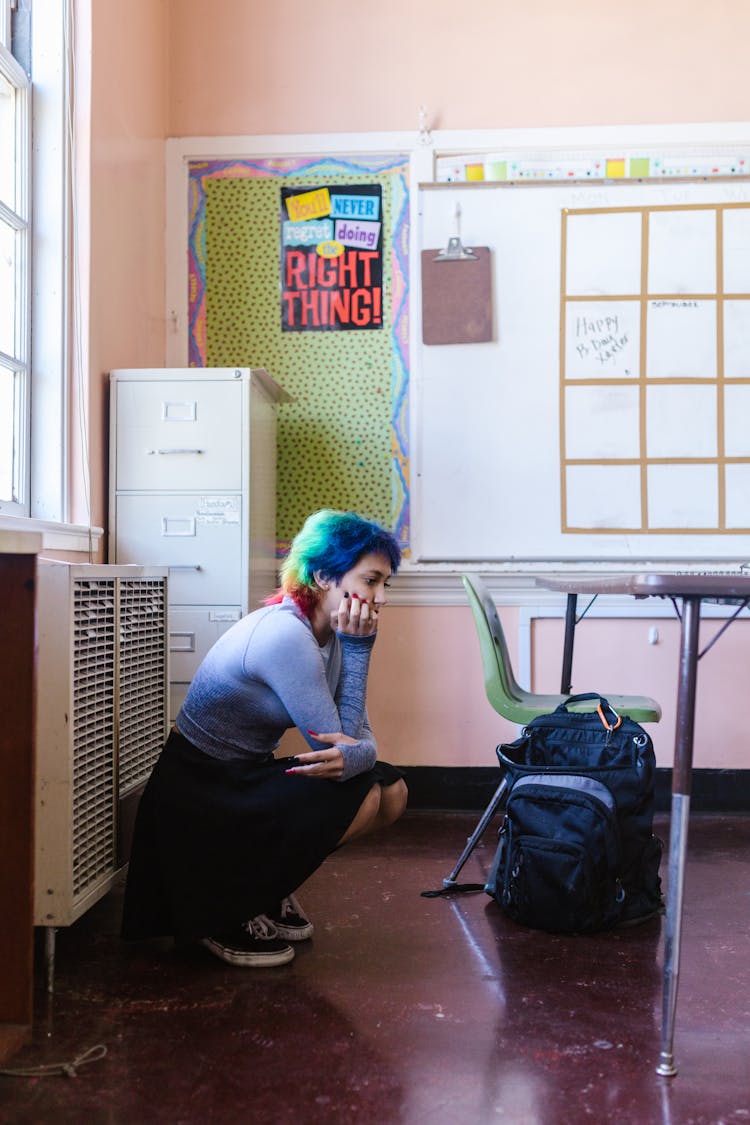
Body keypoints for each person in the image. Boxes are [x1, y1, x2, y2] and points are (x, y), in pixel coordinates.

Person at [122, 509, 408, 968]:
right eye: (371, 580)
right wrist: (360, 652)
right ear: (322, 576)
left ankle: (263, 889)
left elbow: (356, 742)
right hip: (199, 796)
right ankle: (228, 907)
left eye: (384, 585)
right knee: (364, 794)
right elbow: (337, 750)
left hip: (241, 780)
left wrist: (361, 749)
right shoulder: (284, 636)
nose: (380, 598)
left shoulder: (331, 634)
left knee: (392, 792)